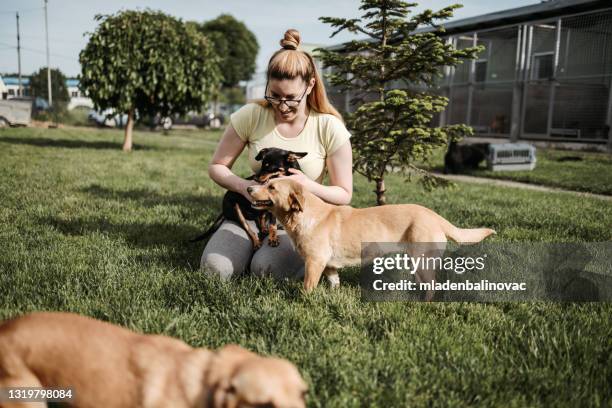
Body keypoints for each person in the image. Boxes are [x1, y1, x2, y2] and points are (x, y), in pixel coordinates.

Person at [201, 29, 353, 281]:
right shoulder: (251, 115)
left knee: (267, 270)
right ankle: (244, 248)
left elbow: (344, 194)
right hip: (249, 216)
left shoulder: (329, 126)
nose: (282, 106)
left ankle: (308, 257)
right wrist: (243, 187)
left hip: (296, 223)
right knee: (216, 270)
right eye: (274, 96)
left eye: (291, 98)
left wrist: (308, 186)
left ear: (310, 85)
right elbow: (217, 166)